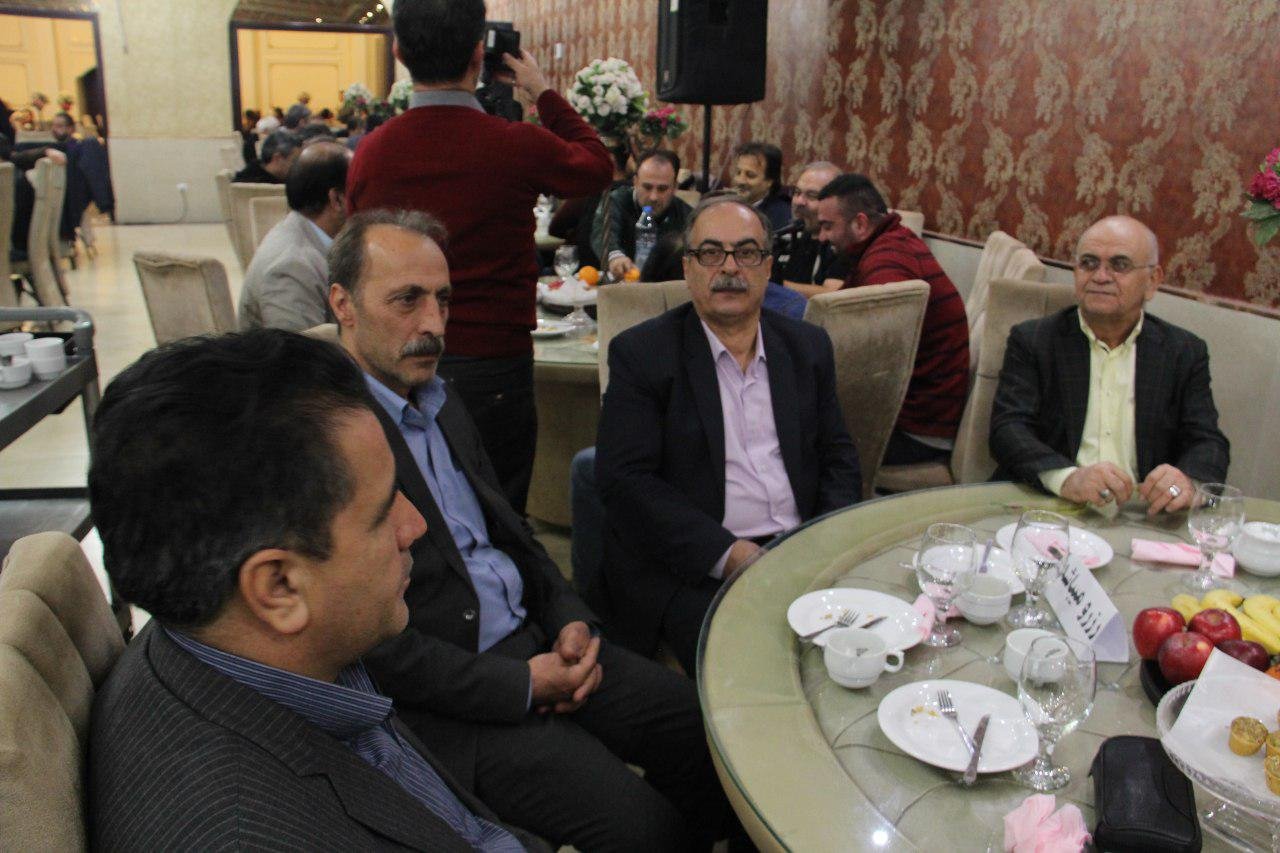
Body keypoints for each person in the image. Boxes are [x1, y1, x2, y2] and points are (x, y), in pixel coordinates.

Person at [327, 208, 734, 851]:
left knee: (703, 729)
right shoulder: (330, 438)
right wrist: (521, 685)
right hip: (456, 699)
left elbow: (510, 533)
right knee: (643, 828)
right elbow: (367, 644)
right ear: (343, 304)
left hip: (539, 641)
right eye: (406, 300)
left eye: (443, 300)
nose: (433, 324)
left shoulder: (439, 398)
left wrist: (572, 618)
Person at [87, 330, 543, 851]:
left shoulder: (241, 645)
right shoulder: (249, 834)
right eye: (383, 511)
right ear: (279, 587)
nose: (415, 525)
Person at [347, 0, 612, 516]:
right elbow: (597, 166)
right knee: (499, 516)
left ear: (399, 53)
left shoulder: (372, 153)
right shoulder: (514, 144)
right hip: (494, 363)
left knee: (413, 516)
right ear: (478, 54)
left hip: (397, 360)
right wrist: (542, 92)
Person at [595, 196, 862, 674]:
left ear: (768, 267)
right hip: (699, 565)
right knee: (764, 668)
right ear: (688, 267)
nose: (730, 268)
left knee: (867, 649)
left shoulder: (807, 347)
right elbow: (625, 481)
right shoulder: (644, 354)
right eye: (711, 253)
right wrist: (729, 554)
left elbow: (838, 454)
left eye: (747, 252)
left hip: (802, 549)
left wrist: (823, 542)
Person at [990, 215, 1230, 515]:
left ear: (1153, 280)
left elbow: (1208, 442)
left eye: (1119, 265)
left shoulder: (1183, 352)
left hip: (1141, 515)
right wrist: (1068, 478)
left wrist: (1186, 481)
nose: (1100, 276)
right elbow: (1008, 429)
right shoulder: (1034, 340)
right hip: (1050, 506)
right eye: (1088, 263)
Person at [817, 173, 969, 466]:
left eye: (827, 226)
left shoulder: (886, 263)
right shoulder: (891, 241)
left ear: (860, 223)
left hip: (914, 432)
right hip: (918, 417)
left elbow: (874, 360)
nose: (821, 237)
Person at [239, 141, 351, 331]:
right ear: (337, 199)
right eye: (359, 189)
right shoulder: (292, 266)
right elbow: (300, 348)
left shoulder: (303, 231)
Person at [591, 149, 693, 282]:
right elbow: (603, 232)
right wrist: (615, 257)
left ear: (675, 187)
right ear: (635, 182)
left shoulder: (686, 214)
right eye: (647, 187)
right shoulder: (616, 201)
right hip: (620, 285)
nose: (653, 197)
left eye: (662, 189)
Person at [549, 140, 630, 270]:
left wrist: (576, 236)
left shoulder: (590, 191)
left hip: (587, 272)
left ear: (610, 161)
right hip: (624, 270)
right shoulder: (634, 193)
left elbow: (556, 227)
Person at [775, 161, 849, 297]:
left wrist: (773, 285)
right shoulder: (790, 235)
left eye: (812, 196)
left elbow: (833, 295)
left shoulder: (842, 240)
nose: (799, 201)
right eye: (797, 192)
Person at [732, 141, 791, 231]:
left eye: (750, 175)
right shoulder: (727, 205)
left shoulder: (781, 215)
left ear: (769, 181)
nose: (740, 180)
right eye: (738, 173)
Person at [233, 128, 299, 184]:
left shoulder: (240, 182)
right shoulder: (283, 189)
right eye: (294, 161)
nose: (298, 166)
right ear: (277, 158)